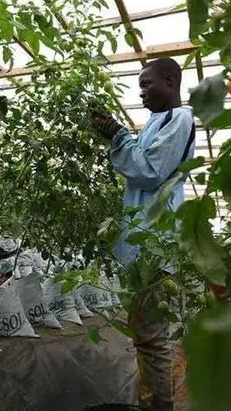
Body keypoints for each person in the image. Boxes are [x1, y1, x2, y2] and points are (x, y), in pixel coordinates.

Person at [93, 57, 195, 411]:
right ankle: (151, 401)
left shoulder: (179, 118)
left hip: (154, 247)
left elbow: (149, 170)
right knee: (146, 338)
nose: (141, 92)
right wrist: (115, 131)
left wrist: (118, 135)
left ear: (170, 81)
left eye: (147, 84)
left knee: (152, 340)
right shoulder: (155, 122)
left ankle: (158, 406)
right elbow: (140, 160)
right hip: (144, 245)